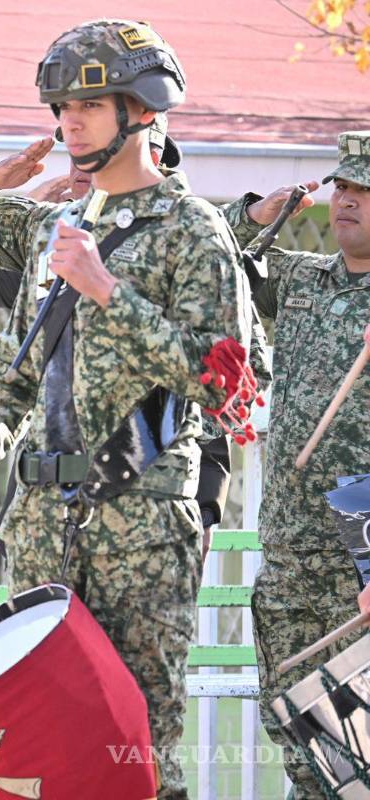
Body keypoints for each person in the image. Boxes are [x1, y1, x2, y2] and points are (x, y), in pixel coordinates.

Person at [0, 21, 253, 798]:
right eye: (62, 106)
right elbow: (15, 376)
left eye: (89, 104)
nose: (68, 122)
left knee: (134, 754)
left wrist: (111, 294)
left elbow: (232, 387)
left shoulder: (192, 231)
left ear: (142, 111)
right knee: (34, 752)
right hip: (39, 523)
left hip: (141, 522)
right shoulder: (57, 227)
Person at [226, 131, 370, 799]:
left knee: (358, 746)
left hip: (359, 559)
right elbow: (210, 257)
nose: (349, 201)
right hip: (290, 549)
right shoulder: (305, 281)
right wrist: (259, 215)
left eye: (366, 192)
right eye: (344, 187)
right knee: (293, 723)